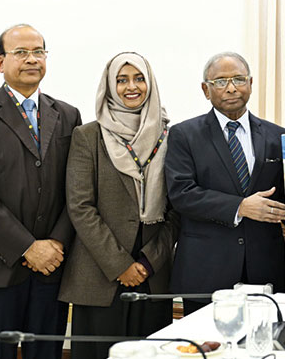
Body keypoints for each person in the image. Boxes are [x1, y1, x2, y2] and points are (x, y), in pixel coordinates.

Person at [0, 24, 81, 359]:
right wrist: (27, 247)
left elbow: (77, 188)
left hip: (53, 268)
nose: (31, 59)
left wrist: (56, 244)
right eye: (21, 52)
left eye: (38, 52)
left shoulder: (68, 115)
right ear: (0, 62)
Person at [165, 52, 285, 315]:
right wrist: (240, 206)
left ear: (250, 83)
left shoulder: (278, 136)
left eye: (238, 79)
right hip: (206, 270)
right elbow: (182, 194)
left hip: (264, 270)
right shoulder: (184, 134)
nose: (231, 88)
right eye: (220, 82)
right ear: (205, 89)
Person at [58, 53, 179, 358]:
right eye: (122, 80)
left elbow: (178, 209)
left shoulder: (171, 136)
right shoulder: (88, 136)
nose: (131, 87)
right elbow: (80, 206)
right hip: (100, 274)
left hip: (153, 275)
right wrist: (120, 265)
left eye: (139, 79)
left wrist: (149, 261)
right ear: (110, 86)